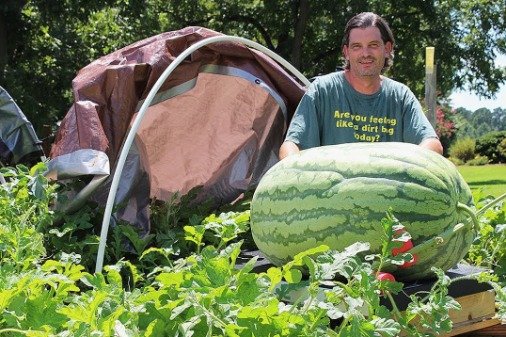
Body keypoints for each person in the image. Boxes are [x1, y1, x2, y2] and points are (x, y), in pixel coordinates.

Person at [279, 12, 443, 159]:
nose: (365, 54)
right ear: (346, 52)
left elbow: (432, 144)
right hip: (334, 192)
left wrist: (407, 166)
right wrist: (295, 170)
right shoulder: (322, 90)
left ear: (387, 49)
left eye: (373, 45)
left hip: (387, 190)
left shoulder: (400, 96)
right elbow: (291, 146)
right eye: (357, 46)